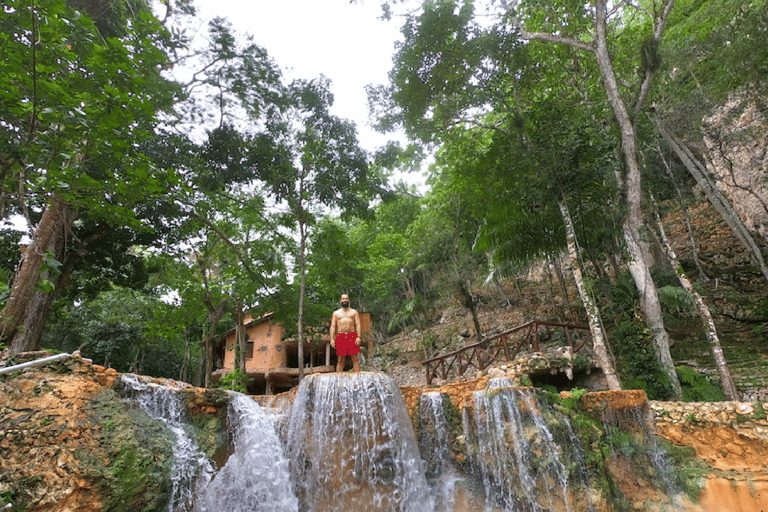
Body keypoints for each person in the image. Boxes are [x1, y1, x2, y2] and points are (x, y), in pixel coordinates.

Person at [329, 293, 361, 373]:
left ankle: (358, 377)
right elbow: (333, 326)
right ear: (340, 300)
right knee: (340, 359)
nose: (345, 300)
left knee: (354, 357)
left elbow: (358, 324)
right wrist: (332, 339)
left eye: (346, 298)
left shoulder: (354, 312)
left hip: (352, 335)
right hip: (341, 336)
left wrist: (359, 337)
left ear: (349, 300)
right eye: (343, 299)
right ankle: (339, 379)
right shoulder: (336, 313)